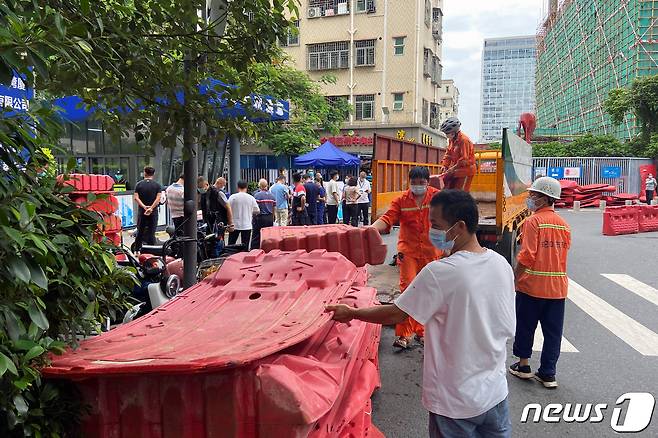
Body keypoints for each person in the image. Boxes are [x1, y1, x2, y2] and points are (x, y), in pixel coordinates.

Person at [327, 190, 515, 438]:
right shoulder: (500, 263)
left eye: (436, 225)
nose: (432, 231)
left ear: (459, 227)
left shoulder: (441, 273)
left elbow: (396, 314)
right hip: (496, 395)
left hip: (455, 403)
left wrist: (351, 312)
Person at [509, 176, 571, 389]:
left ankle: (524, 366)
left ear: (544, 199)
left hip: (532, 286)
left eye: (533, 195)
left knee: (526, 326)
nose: (530, 197)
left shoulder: (533, 221)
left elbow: (526, 256)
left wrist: (514, 279)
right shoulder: (564, 225)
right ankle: (548, 373)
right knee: (553, 334)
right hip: (557, 290)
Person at [371, 166, 442, 348]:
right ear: (409, 182)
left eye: (421, 183)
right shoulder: (401, 200)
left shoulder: (437, 197)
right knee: (408, 291)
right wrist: (370, 230)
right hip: (409, 252)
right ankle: (404, 334)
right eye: (414, 183)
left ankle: (422, 330)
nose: (417, 186)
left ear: (427, 182)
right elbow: (387, 218)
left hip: (431, 252)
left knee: (427, 293)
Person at [439, 117, 476, 191]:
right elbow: (448, 154)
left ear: (453, 133)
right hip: (457, 170)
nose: (446, 135)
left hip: (466, 170)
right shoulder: (451, 140)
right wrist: (444, 165)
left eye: (447, 133)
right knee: (450, 191)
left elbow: (464, 159)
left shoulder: (464, 140)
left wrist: (452, 168)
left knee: (460, 194)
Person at [133, 166, 163, 252]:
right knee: (151, 231)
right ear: (153, 174)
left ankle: (137, 250)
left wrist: (144, 206)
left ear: (145, 173)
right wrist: (151, 208)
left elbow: (136, 198)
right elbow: (158, 199)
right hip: (153, 212)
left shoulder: (138, 184)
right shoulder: (157, 185)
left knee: (140, 231)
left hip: (142, 212)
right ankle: (151, 250)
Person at [227, 180, 259, 248]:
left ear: (237, 187)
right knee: (245, 246)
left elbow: (227, 209)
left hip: (234, 224)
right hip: (247, 225)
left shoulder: (232, 197)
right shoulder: (251, 198)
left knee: (231, 245)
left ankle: (230, 257)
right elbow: (257, 211)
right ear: (246, 187)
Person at [252, 179, 276, 249]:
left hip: (260, 217)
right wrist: (273, 217)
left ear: (259, 186)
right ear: (267, 185)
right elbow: (274, 208)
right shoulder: (272, 196)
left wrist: (253, 218)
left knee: (256, 235)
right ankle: (267, 249)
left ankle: (254, 249)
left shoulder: (257, 195)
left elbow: (255, 208)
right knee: (268, 235)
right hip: (269, 217)